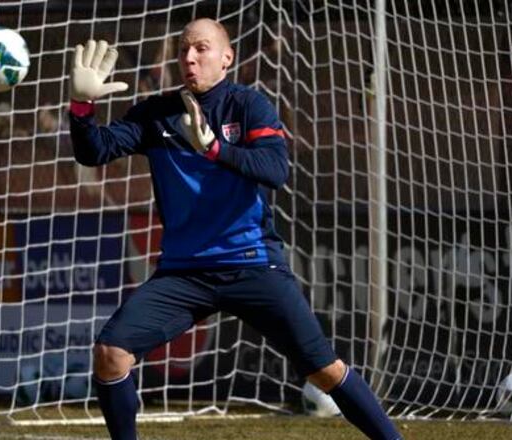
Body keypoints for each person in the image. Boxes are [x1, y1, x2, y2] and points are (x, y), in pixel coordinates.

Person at [68, 18, 402, 440]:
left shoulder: (248, 105)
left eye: (202, 48)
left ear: (227, 58)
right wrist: (81, 108)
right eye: (184, 49)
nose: (190, 57)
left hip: (252, 264)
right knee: (111, 354)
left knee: (326, 371)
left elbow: (275, 170)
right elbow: (94, 152)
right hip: (183, 273)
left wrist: (213, 147)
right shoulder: (156, 113)